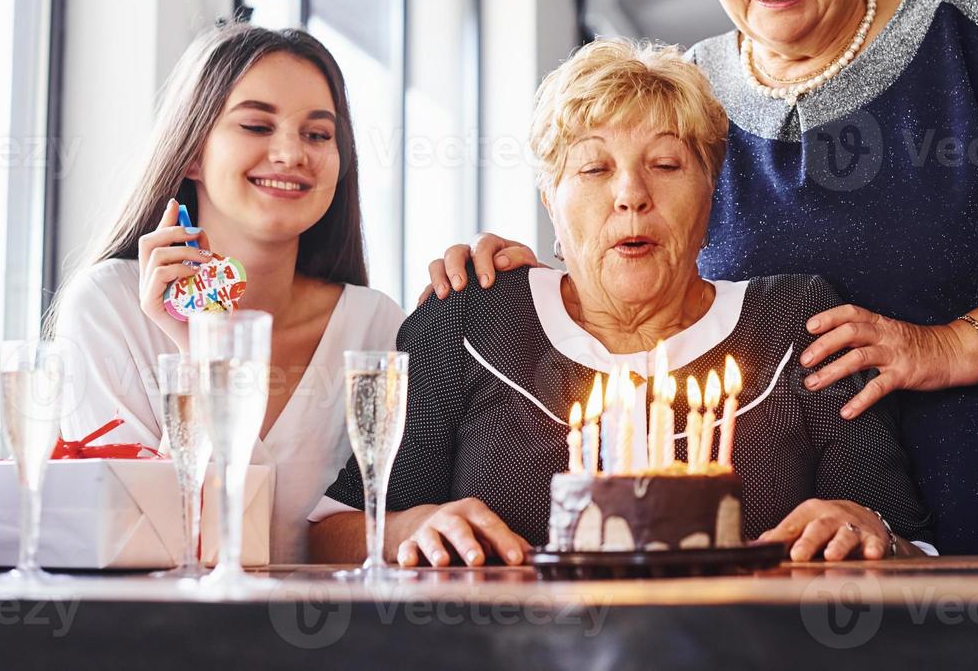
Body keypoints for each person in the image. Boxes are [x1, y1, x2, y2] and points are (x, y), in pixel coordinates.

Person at [422, 0, 978, 554]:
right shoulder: (698, 90)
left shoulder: (958, 32)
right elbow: (647, 253)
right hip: (819, 524)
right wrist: (530, 272)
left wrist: (952, 346)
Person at [309, 40, 935, 566]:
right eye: (593, 169)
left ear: (710, 191)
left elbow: (908, 542)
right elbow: (327, 534)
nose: (632, 194)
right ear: (550, 201)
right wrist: (401, 530)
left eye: (665, 163)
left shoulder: (798, 323)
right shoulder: (468, 318)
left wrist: (868, 527)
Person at [52, 25, 403, 564]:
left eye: (317, 135)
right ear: (191, 154)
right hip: (162, 636)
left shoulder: (376, 326)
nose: (290, 153)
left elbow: (387, 526)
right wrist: (198, 351)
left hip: (337, 640)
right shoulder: (107, 310)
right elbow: (149, 538)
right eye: (257, 125)